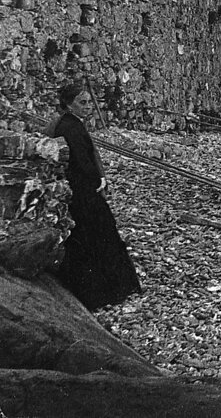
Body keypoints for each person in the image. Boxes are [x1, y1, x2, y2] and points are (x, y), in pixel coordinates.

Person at [45, 84, 142, 310]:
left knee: (90, 238)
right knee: (98, 237)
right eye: (83, 103)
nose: (88, 107)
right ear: (69, 104)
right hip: (83, 193)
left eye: (90, 102)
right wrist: (99, 180)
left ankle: (99, 291)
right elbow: (80, 160)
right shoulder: (71, 127)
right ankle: (106, 291)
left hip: (80, 191)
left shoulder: (68, 124)